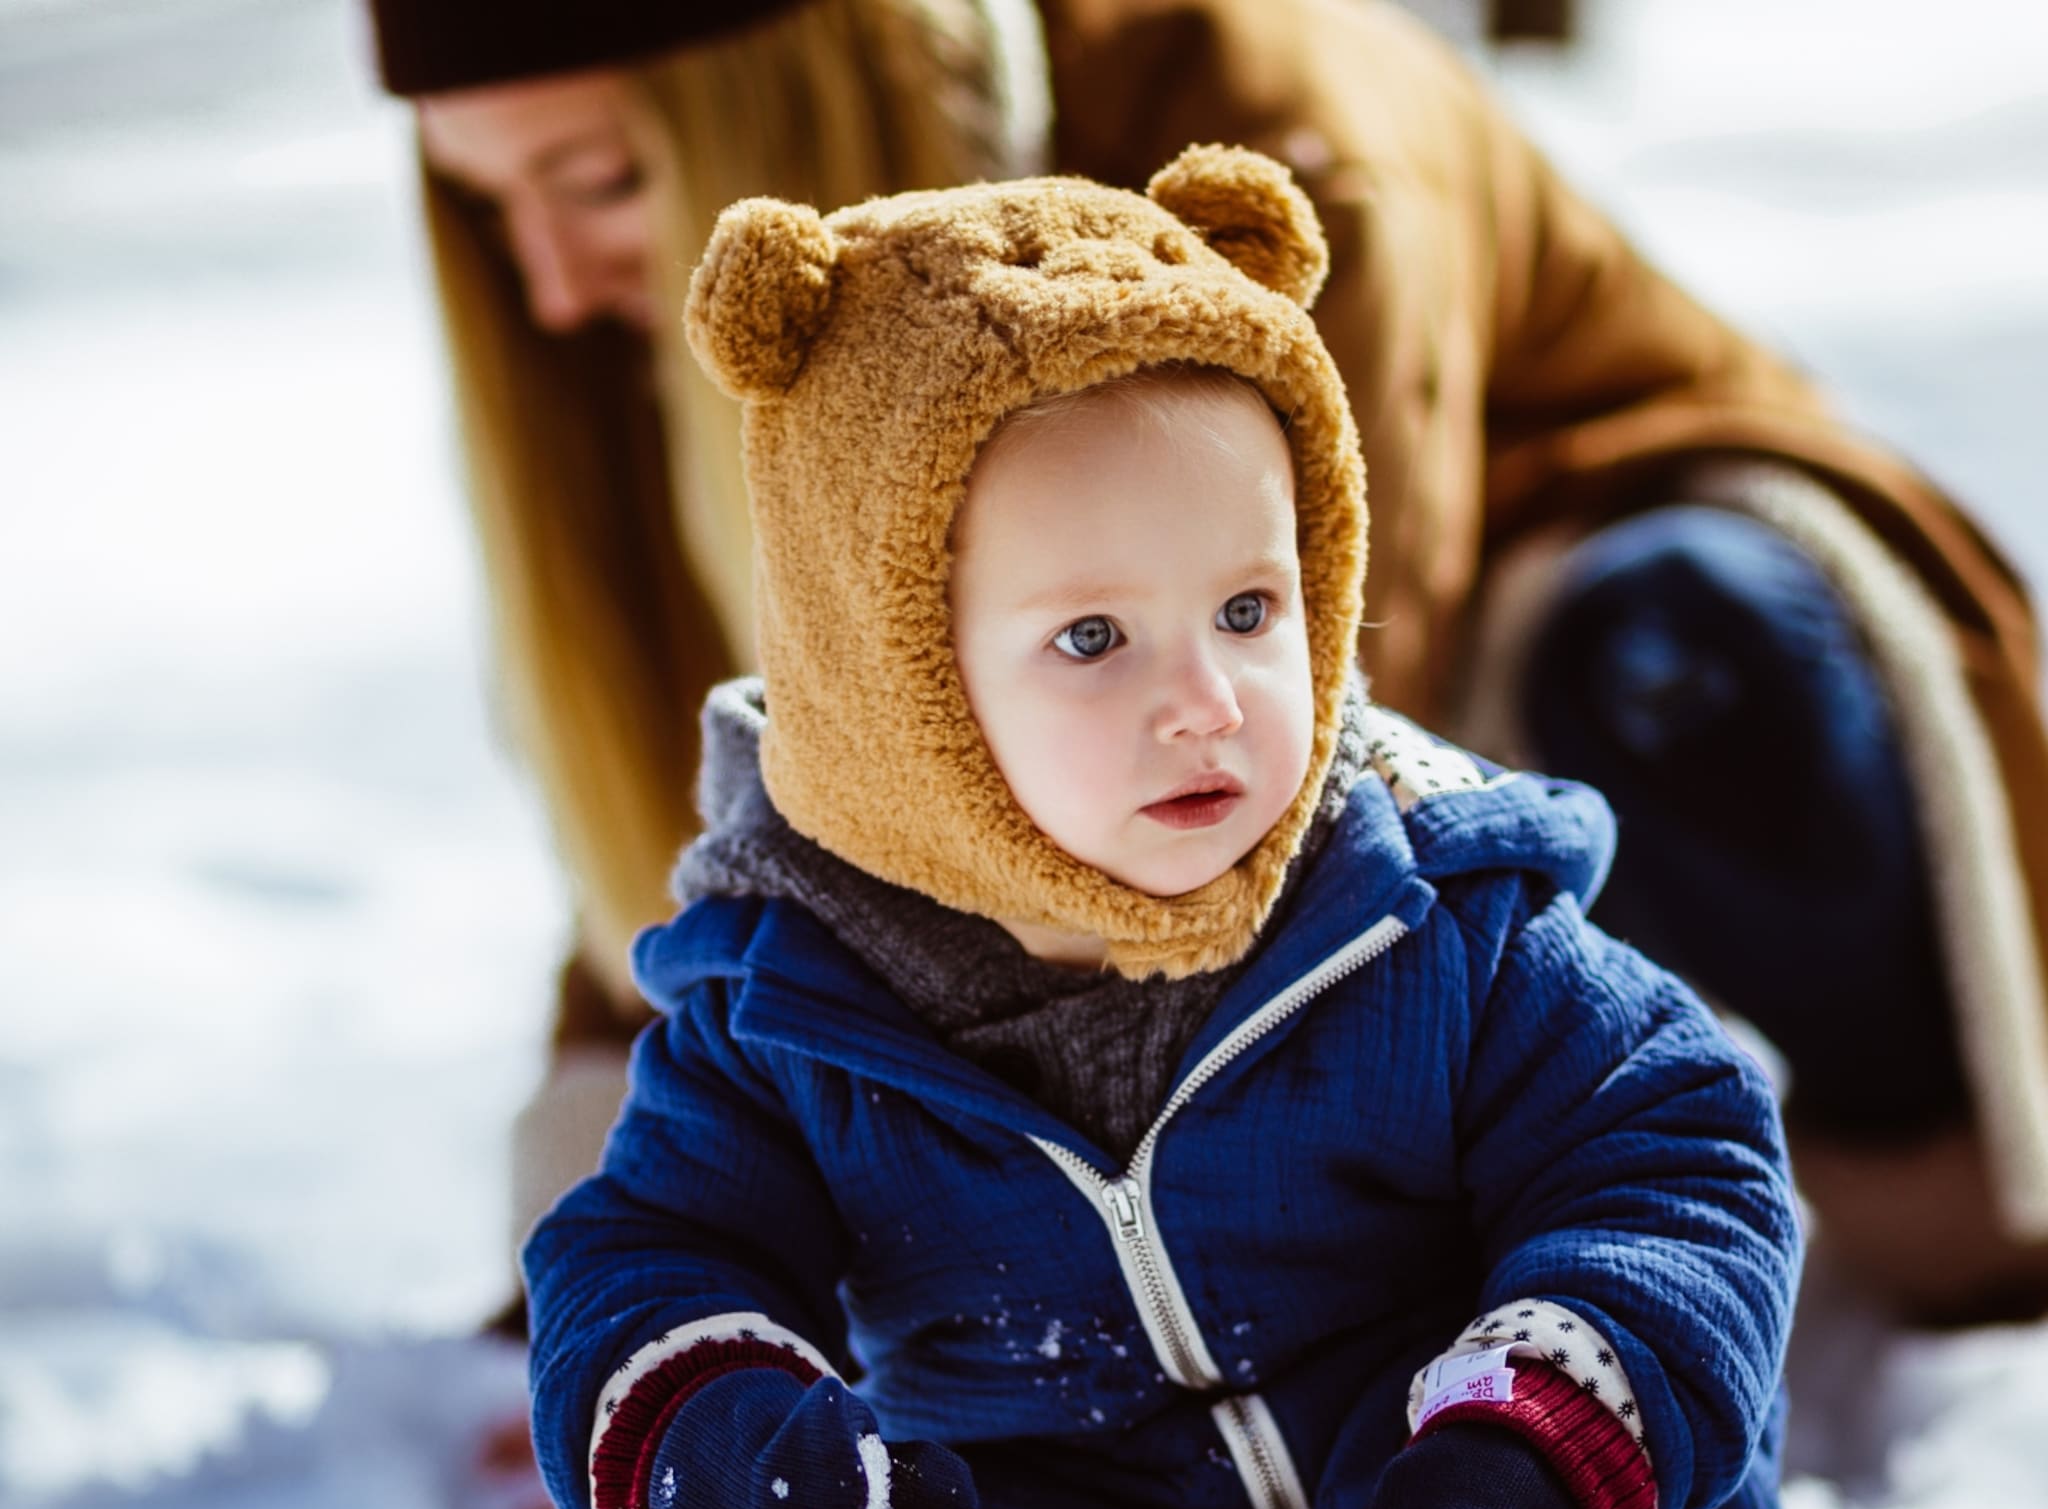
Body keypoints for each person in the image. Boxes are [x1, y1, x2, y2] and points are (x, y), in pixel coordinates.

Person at [523, 148, 1804, 1509]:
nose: (1203, 701)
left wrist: (1536, 1429)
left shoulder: (1438, 923)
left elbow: (1677, 1154)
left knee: (1581, 1478)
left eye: (1250, 608)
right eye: (1092, 640)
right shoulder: (795, 1009)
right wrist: (706, 1415)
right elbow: (647, 1245)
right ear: (900, 690)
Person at [369, 0, 2048, 1339]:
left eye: (592, 182)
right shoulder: (719, 322)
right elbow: (783, 751)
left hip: (1541, 626)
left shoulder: (1253, 119)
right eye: (487, 200)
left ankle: (1945, 1210)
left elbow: (1300, 702)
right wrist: (642, 1277)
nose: (548, 277)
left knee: (1663, 644)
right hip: (1170, 725)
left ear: (783, 87)